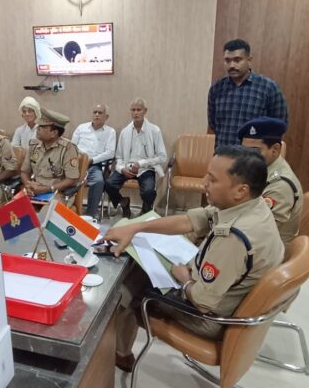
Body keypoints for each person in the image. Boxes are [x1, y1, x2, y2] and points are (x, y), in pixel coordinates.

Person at [103, 146, 284, 372]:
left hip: (207, 317)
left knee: (123, 292)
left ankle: (118, 355)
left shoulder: (234, 238)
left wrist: (185, 280)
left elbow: (202, 302)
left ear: (241, 190)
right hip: (221, 293)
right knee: (141, 263)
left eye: (213, 179)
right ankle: (121, 351)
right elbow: (188, 221)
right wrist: (136, 228)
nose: (203, 183)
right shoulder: (250, 206)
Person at [208, 39, 288, 148]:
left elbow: (279, 124)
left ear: (249, 60)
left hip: (254, 156)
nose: (231, 65)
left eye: (237, 60)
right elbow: (213, 124)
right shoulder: (216, 89)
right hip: (223, 153)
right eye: (227, 60)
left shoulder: (268, 88)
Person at [239, 116, 303, 243]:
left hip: (269, 248)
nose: (247, 157)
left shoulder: (281, 185)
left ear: (275, 150)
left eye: (254, 151)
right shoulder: (259, 168)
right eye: (243, 150)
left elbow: (261, 231)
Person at [104, 98, 167, 217]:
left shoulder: (154, 131)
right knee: (108, 184)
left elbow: (162, 157)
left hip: (145, 168)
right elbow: (119, 157)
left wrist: (141, 164)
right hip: (127, 167)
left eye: (139, 110)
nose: (136, 113)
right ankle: (123, 202)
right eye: (133, 110)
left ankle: (145, 210)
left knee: (149, 191)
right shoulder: (125, 132)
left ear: (145, 111)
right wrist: (122, 169)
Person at [21, 108, 79, 203]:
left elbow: (71, 179)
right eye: (38, 126)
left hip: (57, 192)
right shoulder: (34, 145)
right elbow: (24, 171)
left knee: (46, 211)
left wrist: (46, 189)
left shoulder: (68, 148)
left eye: (42, 127)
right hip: (35, 190)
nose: (38, 128)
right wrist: (28, 185)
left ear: (54, 133)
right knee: (13, 209)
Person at [71, 104, 116, 218]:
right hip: (77, 164)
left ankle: (90, 215)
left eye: (100, 113)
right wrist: (82, 158)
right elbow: (72, 147)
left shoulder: (110, 132)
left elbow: (110, 152)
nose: (97, 114)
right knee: (68, 180)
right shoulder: (81, 128)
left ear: (106, 117)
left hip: (95, 165)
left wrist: (92, 160)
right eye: (95, 112)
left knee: (98, 182)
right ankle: (70, 210)